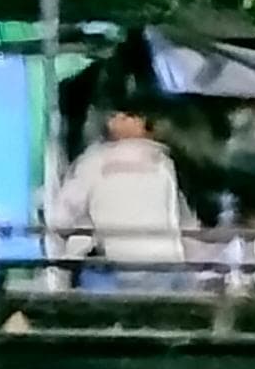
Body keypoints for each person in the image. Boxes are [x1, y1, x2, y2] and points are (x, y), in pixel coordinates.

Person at [47, 106, 192, 268]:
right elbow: (181, 220)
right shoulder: (164, 164)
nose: (116, 118)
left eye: (127, 115)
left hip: (116, 266)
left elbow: (61, 218)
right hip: (167, 264)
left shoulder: (94, 161)